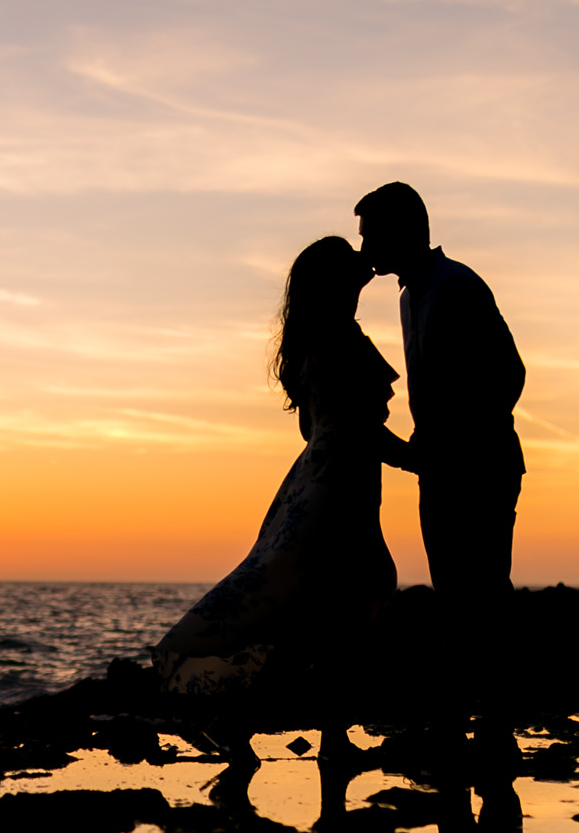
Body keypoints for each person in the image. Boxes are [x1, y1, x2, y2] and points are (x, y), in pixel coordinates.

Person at [152, 236, 404, 764]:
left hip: (321, 479)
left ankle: (255, 730)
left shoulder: (324, 337)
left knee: (317, 610)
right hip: (336, 486)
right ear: (336, 281)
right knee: (335, 606)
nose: (364, 260)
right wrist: (419, 460)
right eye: (351, 258)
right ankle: (311, 736)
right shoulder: (337, 337)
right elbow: (359, 425)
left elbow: (316, 424)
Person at [354, 182, 525, 747]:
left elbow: (509, 375)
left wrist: (456, 443)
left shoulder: (458, 286)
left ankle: (492, 727)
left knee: (483, 598)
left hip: (482, 468)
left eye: (369, 234)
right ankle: (459, 723)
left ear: (400, 230)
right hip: (440, 471)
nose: (363, 248)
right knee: (455, 600)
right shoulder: (408, 298)